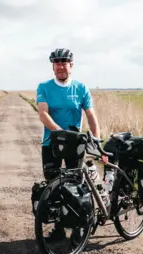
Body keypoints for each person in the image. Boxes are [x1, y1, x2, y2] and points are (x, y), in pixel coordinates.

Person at [35, 48, 101, 242]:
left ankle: (80, 227)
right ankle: (59, 228)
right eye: (57, 63)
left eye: (65, 63)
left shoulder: (81, 88)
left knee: (76, 187)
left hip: (75, 145)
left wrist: (96, 140)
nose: (61, 66)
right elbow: (43, 113)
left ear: (71, 65)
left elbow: (90, 115)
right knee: (53, 188)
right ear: (53, 66)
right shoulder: (44, 87)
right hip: (51, 144)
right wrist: (60, 133)